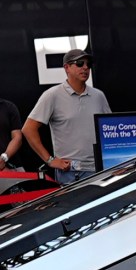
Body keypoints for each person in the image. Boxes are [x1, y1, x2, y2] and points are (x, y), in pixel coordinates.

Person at [25, 49, 110, 180]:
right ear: (67, 68)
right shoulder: (52, 95)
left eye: (88, 64)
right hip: (71, 173)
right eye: (80, 63)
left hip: (101, 169)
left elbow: (109, 129)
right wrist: (50, 160)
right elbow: (28, 129)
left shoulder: (99, 95)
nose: (85, 67)